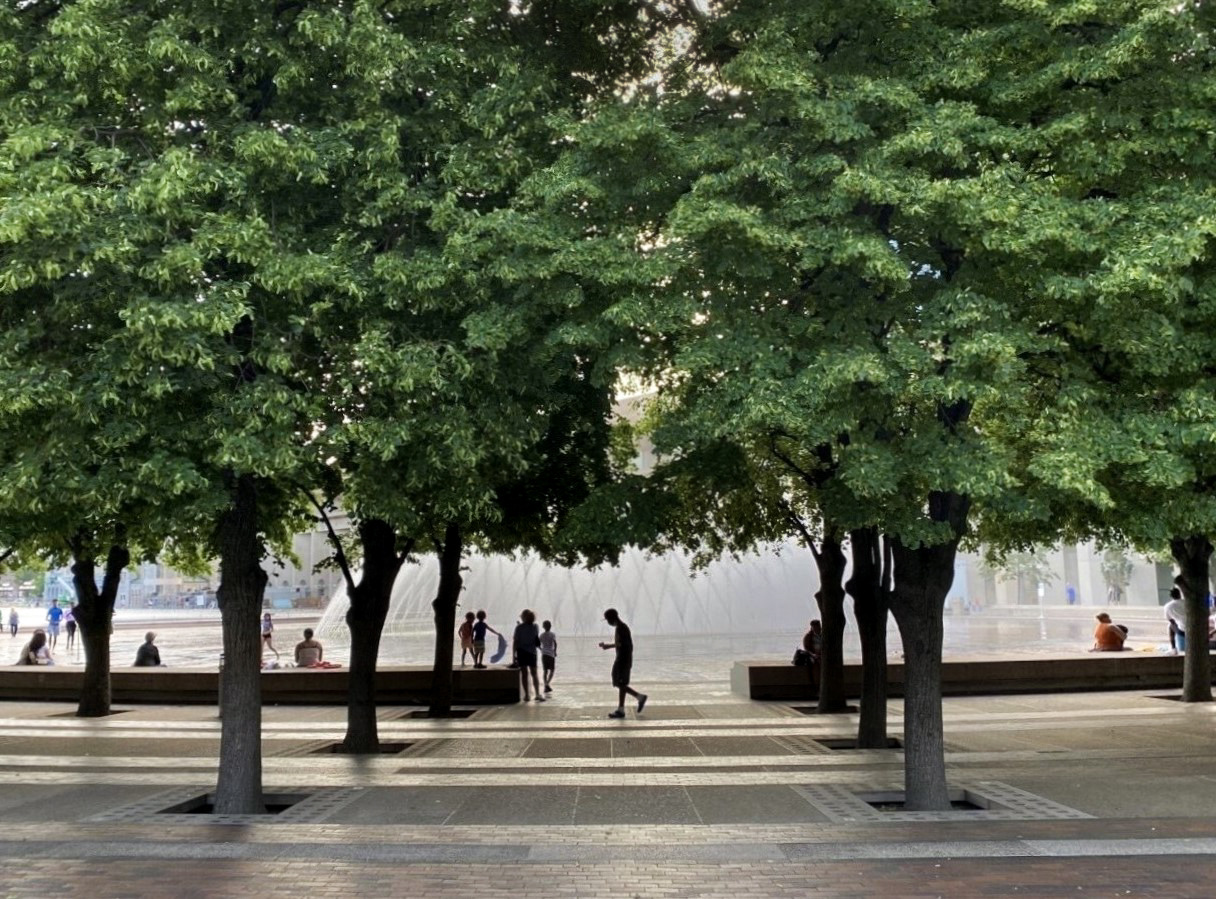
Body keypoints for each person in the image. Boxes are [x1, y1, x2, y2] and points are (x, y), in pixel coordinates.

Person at [599, 608, 647, 719]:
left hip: (622, 660)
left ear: (612, 618)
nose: (607, 622)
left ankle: (639, 697)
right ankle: (621, 710)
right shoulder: (621, 628)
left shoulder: (622, 628)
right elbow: (621, 644)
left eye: (607, 620)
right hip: (623, 659)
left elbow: (624, 645)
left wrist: (612, 649)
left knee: (618, 682)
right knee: (621, 684)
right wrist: (608, 646)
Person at [513, 610, 545, 702]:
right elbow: (534, 637)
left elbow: (516, 641)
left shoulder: (519, 628)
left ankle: (527, 695)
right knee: (534, 673)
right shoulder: (536, 627)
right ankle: (537, 693)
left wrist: (513, 656)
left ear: (523, 617)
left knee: (524, 674)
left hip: (521, 652)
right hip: (532, 653)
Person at [802, 618, 823, 699]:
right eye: (815, 627)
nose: (817, 629)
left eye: (818, 627)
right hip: (812, 655)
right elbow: (806, 648)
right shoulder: (808, 636)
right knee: (815, 666)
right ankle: (816, 688)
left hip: (821, 654)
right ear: (812, 627)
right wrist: (813, 654)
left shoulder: (823, 635)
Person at [1164, 588, 1186, 654]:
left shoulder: (1168, 606)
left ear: (1171, 596)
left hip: (1183, 631)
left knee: (1170, 626)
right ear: (1180, 594)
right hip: (1195, 629)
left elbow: (1170, 620)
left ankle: (1173, 649)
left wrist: (1177, 622)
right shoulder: (1187, 602)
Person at [539, 619, 557, 693]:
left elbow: (537, 644)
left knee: (545, 671)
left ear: (543, 627)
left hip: (544, 654)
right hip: (551, 654)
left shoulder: (541, 635)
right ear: (550, 626)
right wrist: (555, 651)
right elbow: (555, 644)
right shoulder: (552, 634)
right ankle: (547, 684)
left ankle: (546, 685)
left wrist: (541, 649)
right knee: (552, 670)